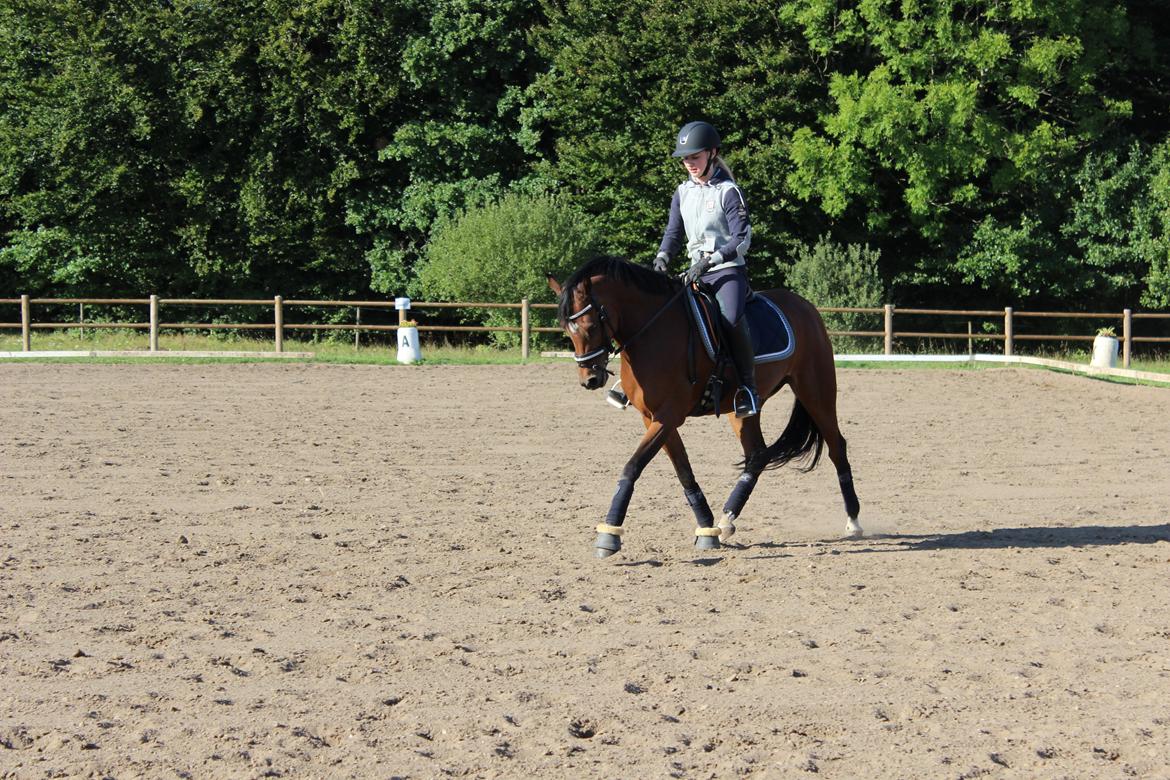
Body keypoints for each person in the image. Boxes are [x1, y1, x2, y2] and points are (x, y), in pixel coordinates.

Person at [652, 120, 759, 418]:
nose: (690, 164)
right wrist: (662, 257)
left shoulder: (728, 192)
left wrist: (709, 260)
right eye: (686, 159)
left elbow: (742, 239)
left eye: (695, 158)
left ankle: (748, 388)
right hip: (693, 271)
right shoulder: (682, 192)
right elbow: (673, 233)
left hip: (726, 271)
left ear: (712, 153)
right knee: (660, 313)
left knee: (729, 317)